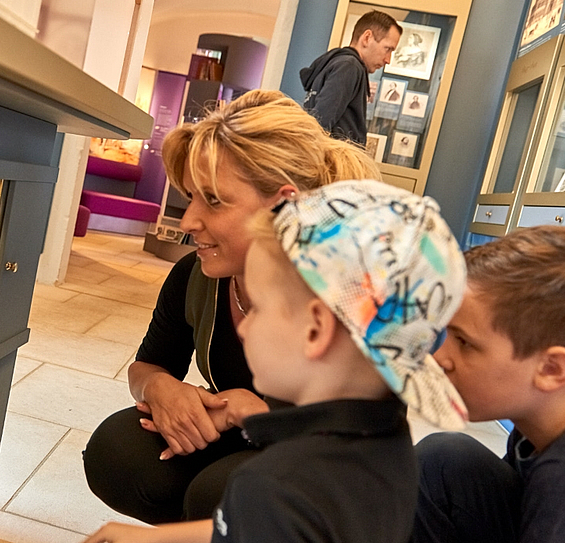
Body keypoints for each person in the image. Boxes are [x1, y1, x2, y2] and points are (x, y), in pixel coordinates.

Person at [83, 179, 469, 543]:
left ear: (315, 330)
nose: (246, 327)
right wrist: (149, 536)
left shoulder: (271, 486)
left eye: (261, 308)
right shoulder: (386, 442)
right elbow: (233, 528)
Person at [83, 89, 382, 525]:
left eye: (215, 201)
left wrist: (262, 411)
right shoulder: (198, 276)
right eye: (191, 196)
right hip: (240, 435)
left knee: (224, 494)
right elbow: (148, 365)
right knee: (120, 452)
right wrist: (162, 390)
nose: (188, 221)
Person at [412, 225, 565, 543]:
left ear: (551, 370)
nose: (440, 357)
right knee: (446, 460)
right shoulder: (539, 426)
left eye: (464, 342)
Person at [300, 10, 402, 144]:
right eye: (387, 49)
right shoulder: (349, 67)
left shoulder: (337, 64)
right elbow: (319, 127)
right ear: (367, 38)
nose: (388, 60)